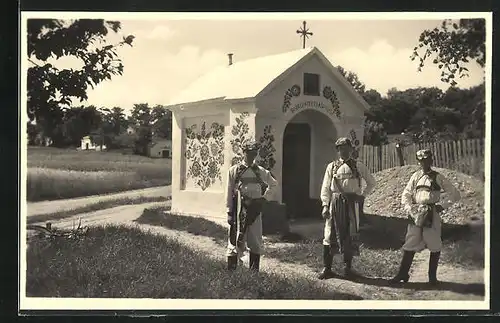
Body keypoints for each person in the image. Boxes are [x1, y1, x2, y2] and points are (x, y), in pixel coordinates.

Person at [390, 149, 461, 285]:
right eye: (421, 161)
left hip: (431, 213)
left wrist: (442, 206)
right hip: (416, 213)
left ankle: (432, 278)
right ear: (418, 162)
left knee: (434, 243)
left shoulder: (438, 177)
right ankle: (402, 274)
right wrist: (409, 208)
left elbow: (455, 194)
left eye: (427, 160)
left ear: (431, 160)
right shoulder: (416, 176)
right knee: (410, 242)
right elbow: (406, 194)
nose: (424, 163)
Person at [318, 137, 376, 279]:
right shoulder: (331, 167)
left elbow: (371, 183)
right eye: (340, 148)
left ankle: (347, 268)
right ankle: (327, 268)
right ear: (337, 150)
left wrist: (362, 196)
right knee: (329, 234)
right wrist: (325, 205)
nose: (343, 151)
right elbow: (325, 188)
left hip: (351, 204)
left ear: (351, 149)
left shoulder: (358, 166)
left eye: (346, 148)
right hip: (335, 203)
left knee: (350, 234)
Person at [225, 140, 278, 272]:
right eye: (248, 153)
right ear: (243, 153)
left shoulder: (260, 171)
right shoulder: (234, 170)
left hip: (255, 209)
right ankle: (231, 272)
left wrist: (264, 199)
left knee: (255, 239)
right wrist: (229, 212)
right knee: (235, 239)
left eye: (254, 153)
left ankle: (254, 274)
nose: (251, 156)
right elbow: (229, 191)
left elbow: (274, 184)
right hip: (238, 209)